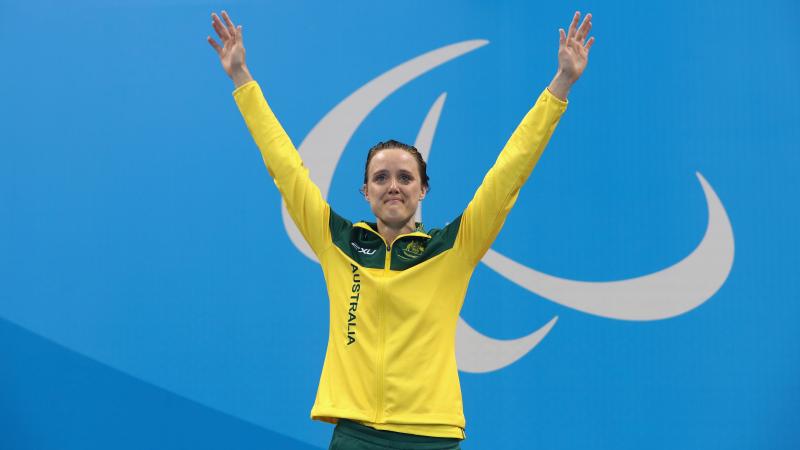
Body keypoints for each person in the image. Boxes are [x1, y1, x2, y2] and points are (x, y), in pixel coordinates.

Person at [208, 9, 594, 450]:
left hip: (432, 435)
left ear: (423, 189)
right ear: (365, 191)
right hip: (355, 433)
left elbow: (509, 173)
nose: (393, 186)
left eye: (405, 177)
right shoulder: (338, 241)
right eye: (381, 178)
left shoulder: (455, 247)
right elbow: (285, 168)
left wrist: (560, 85)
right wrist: (241, 77)